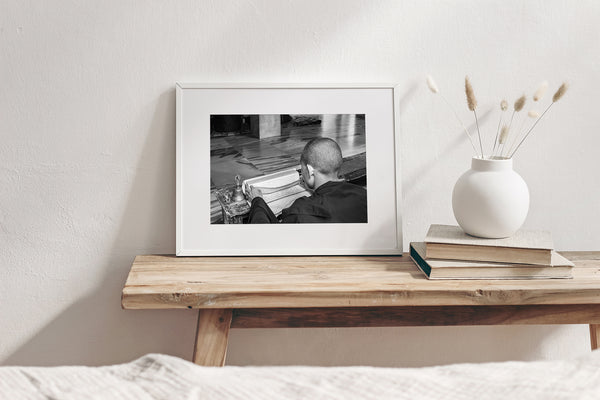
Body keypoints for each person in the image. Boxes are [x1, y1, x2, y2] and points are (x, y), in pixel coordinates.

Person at [247, 137, 367, 223]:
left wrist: (257, 202)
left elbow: (267, 237)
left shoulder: (300, 212)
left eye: (302, 170)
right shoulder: (364, 195)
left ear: (310, 171)